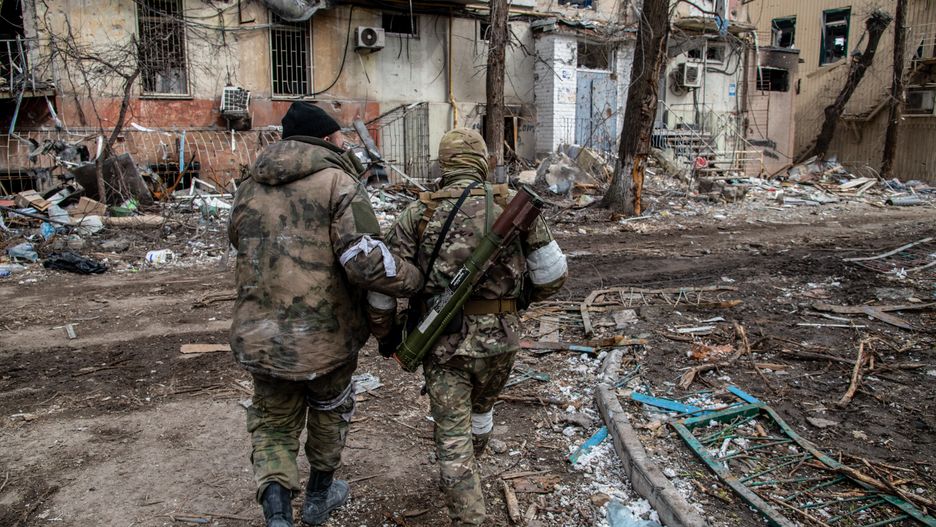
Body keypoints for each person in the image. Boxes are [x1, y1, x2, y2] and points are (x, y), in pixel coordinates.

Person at [228, 102, 423, 527]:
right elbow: (365, 264)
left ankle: (278, 514)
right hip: (327, 337)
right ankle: (319, 497)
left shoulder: (249, 185)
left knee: (273, 423)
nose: (344, 142)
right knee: (330, 409)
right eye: (340, 136)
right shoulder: (339, 183)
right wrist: (414, 279)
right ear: (328, 139)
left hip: (262, 336)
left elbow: (238, 239)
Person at [370, 128, 567, 525]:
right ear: (480, 162)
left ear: (444, 165)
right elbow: (553, 275)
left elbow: (382, 286)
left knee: (452, 437)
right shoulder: (511, 205)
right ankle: (468, 469)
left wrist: (387, 334)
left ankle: (468, 509)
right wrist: (514, 304)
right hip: (503, 341)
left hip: (443, 343)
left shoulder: (418, 214)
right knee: (481, 410)